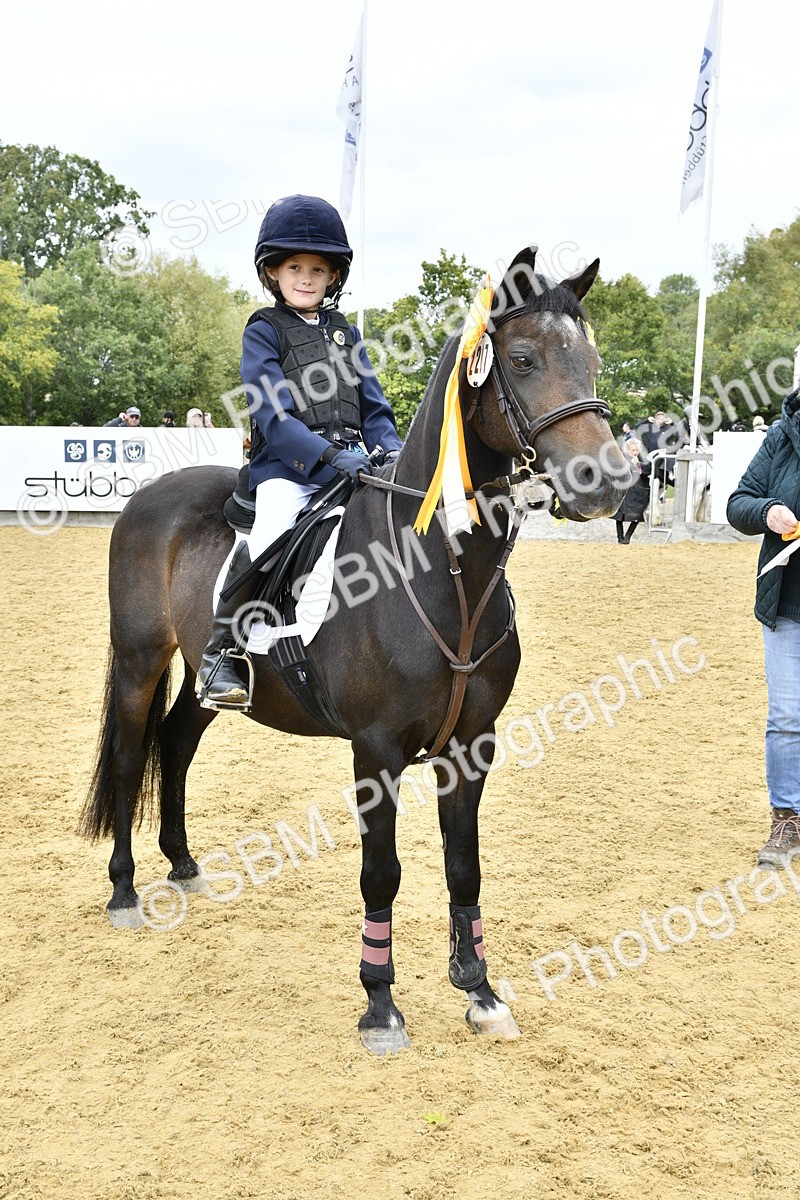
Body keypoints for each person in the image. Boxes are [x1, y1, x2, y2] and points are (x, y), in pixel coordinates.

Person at [195, 194, 403, 710]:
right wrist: (330, 456)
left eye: (317, 269)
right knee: (271, 532)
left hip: (352, 465)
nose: (306, 278)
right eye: (295, 268)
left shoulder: (346, 333)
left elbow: (374, 408)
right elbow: (273, 417)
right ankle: (222, 653)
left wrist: (391, 451)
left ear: (334, 276)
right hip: (287, 470)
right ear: (272, 271)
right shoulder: (263, 330)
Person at [727, 386, 800, 868]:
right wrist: (768, 511)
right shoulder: (782, 435)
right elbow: (739, 504)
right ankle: (787, 818)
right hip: (787, 604)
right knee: (787, 717)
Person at [610, 438, 650, 543]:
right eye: (633, 450)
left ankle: (628, 536)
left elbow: (648, 470)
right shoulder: (623, 459)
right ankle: (620, 537)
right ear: (628, 450)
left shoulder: (642, 459)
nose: (635, 452)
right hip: (624, 491)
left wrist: (638, 464)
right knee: (619, 515)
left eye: (637, 450)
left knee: (637, 514)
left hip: (638, 491)